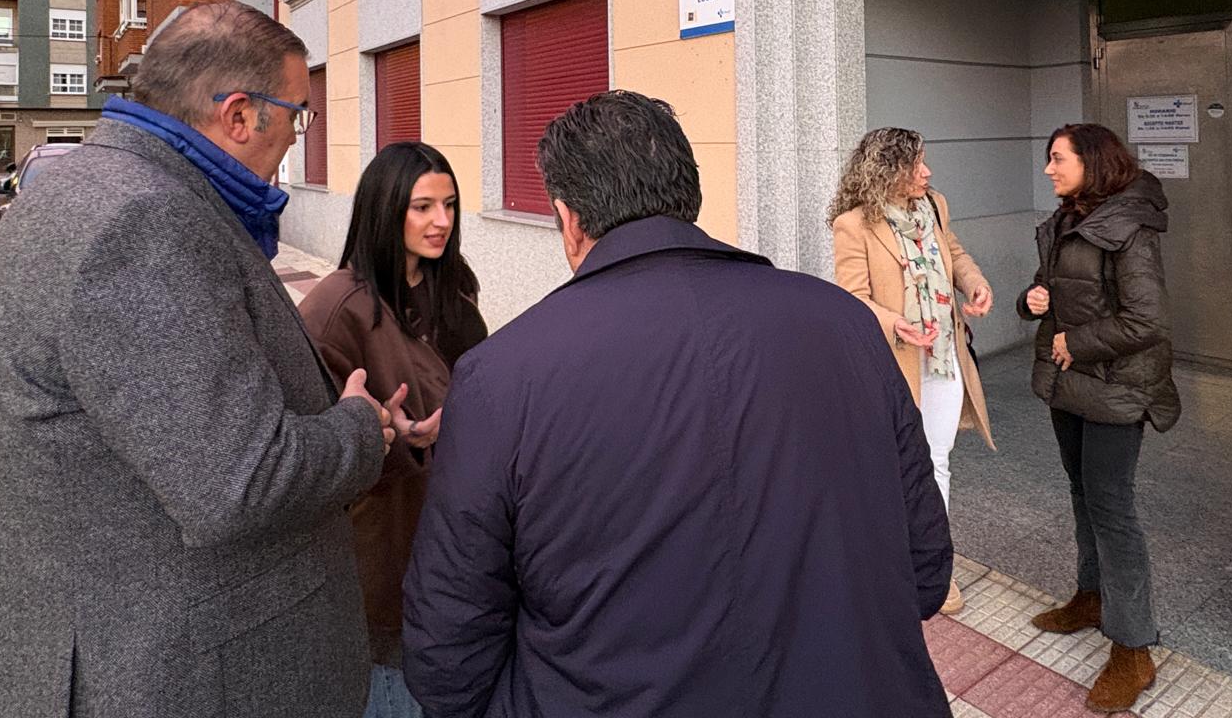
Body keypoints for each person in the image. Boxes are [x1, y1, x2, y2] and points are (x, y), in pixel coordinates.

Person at [402, 92, 954, 718]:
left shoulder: (499, 376)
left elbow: (448, 652)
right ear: (688, 199)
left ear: (568, 219)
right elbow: (927, 570)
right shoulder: (846, 324)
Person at [0, 1, 400, 718]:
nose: (295, 138)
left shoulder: (85, 187)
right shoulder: (143, 222)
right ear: (240, 115)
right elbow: (240, 482)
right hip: (168, 674)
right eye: (298, 114)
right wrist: (357, 430)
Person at [300, 142, 489, 718]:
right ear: (386, 211)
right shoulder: (336, 309)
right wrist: (389, 440)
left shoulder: (452, 286)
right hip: (383, 564)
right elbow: (309, 460)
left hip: (458, 546)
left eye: (450, 205)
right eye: (423, 207)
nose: (442, 222)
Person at [1019, 122, 1180, 714]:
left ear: (1092, 161)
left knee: (1113, 509)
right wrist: (1031, 299)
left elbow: (1148, 321)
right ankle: (1091, 597)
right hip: (1070, 386)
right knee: (1083, 493)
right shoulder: (1067, 219)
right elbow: (1053, 288)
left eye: (1057, 159)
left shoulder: (1129, 228)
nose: (1048, 170)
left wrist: (1075, 343)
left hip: (1115, 389)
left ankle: (1134, 648)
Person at [830, 127, 995, 616]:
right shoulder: (853, 225)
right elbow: (851, 299)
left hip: (943, 355)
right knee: (895, 466)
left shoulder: (935, 205)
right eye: (916, 164)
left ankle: (933, 569)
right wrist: (897, 323)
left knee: (936, 460)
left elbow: (956, 255)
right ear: (887, 172)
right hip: (894, 361)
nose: (927, 172)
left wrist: (975, 284)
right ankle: (886, 561)